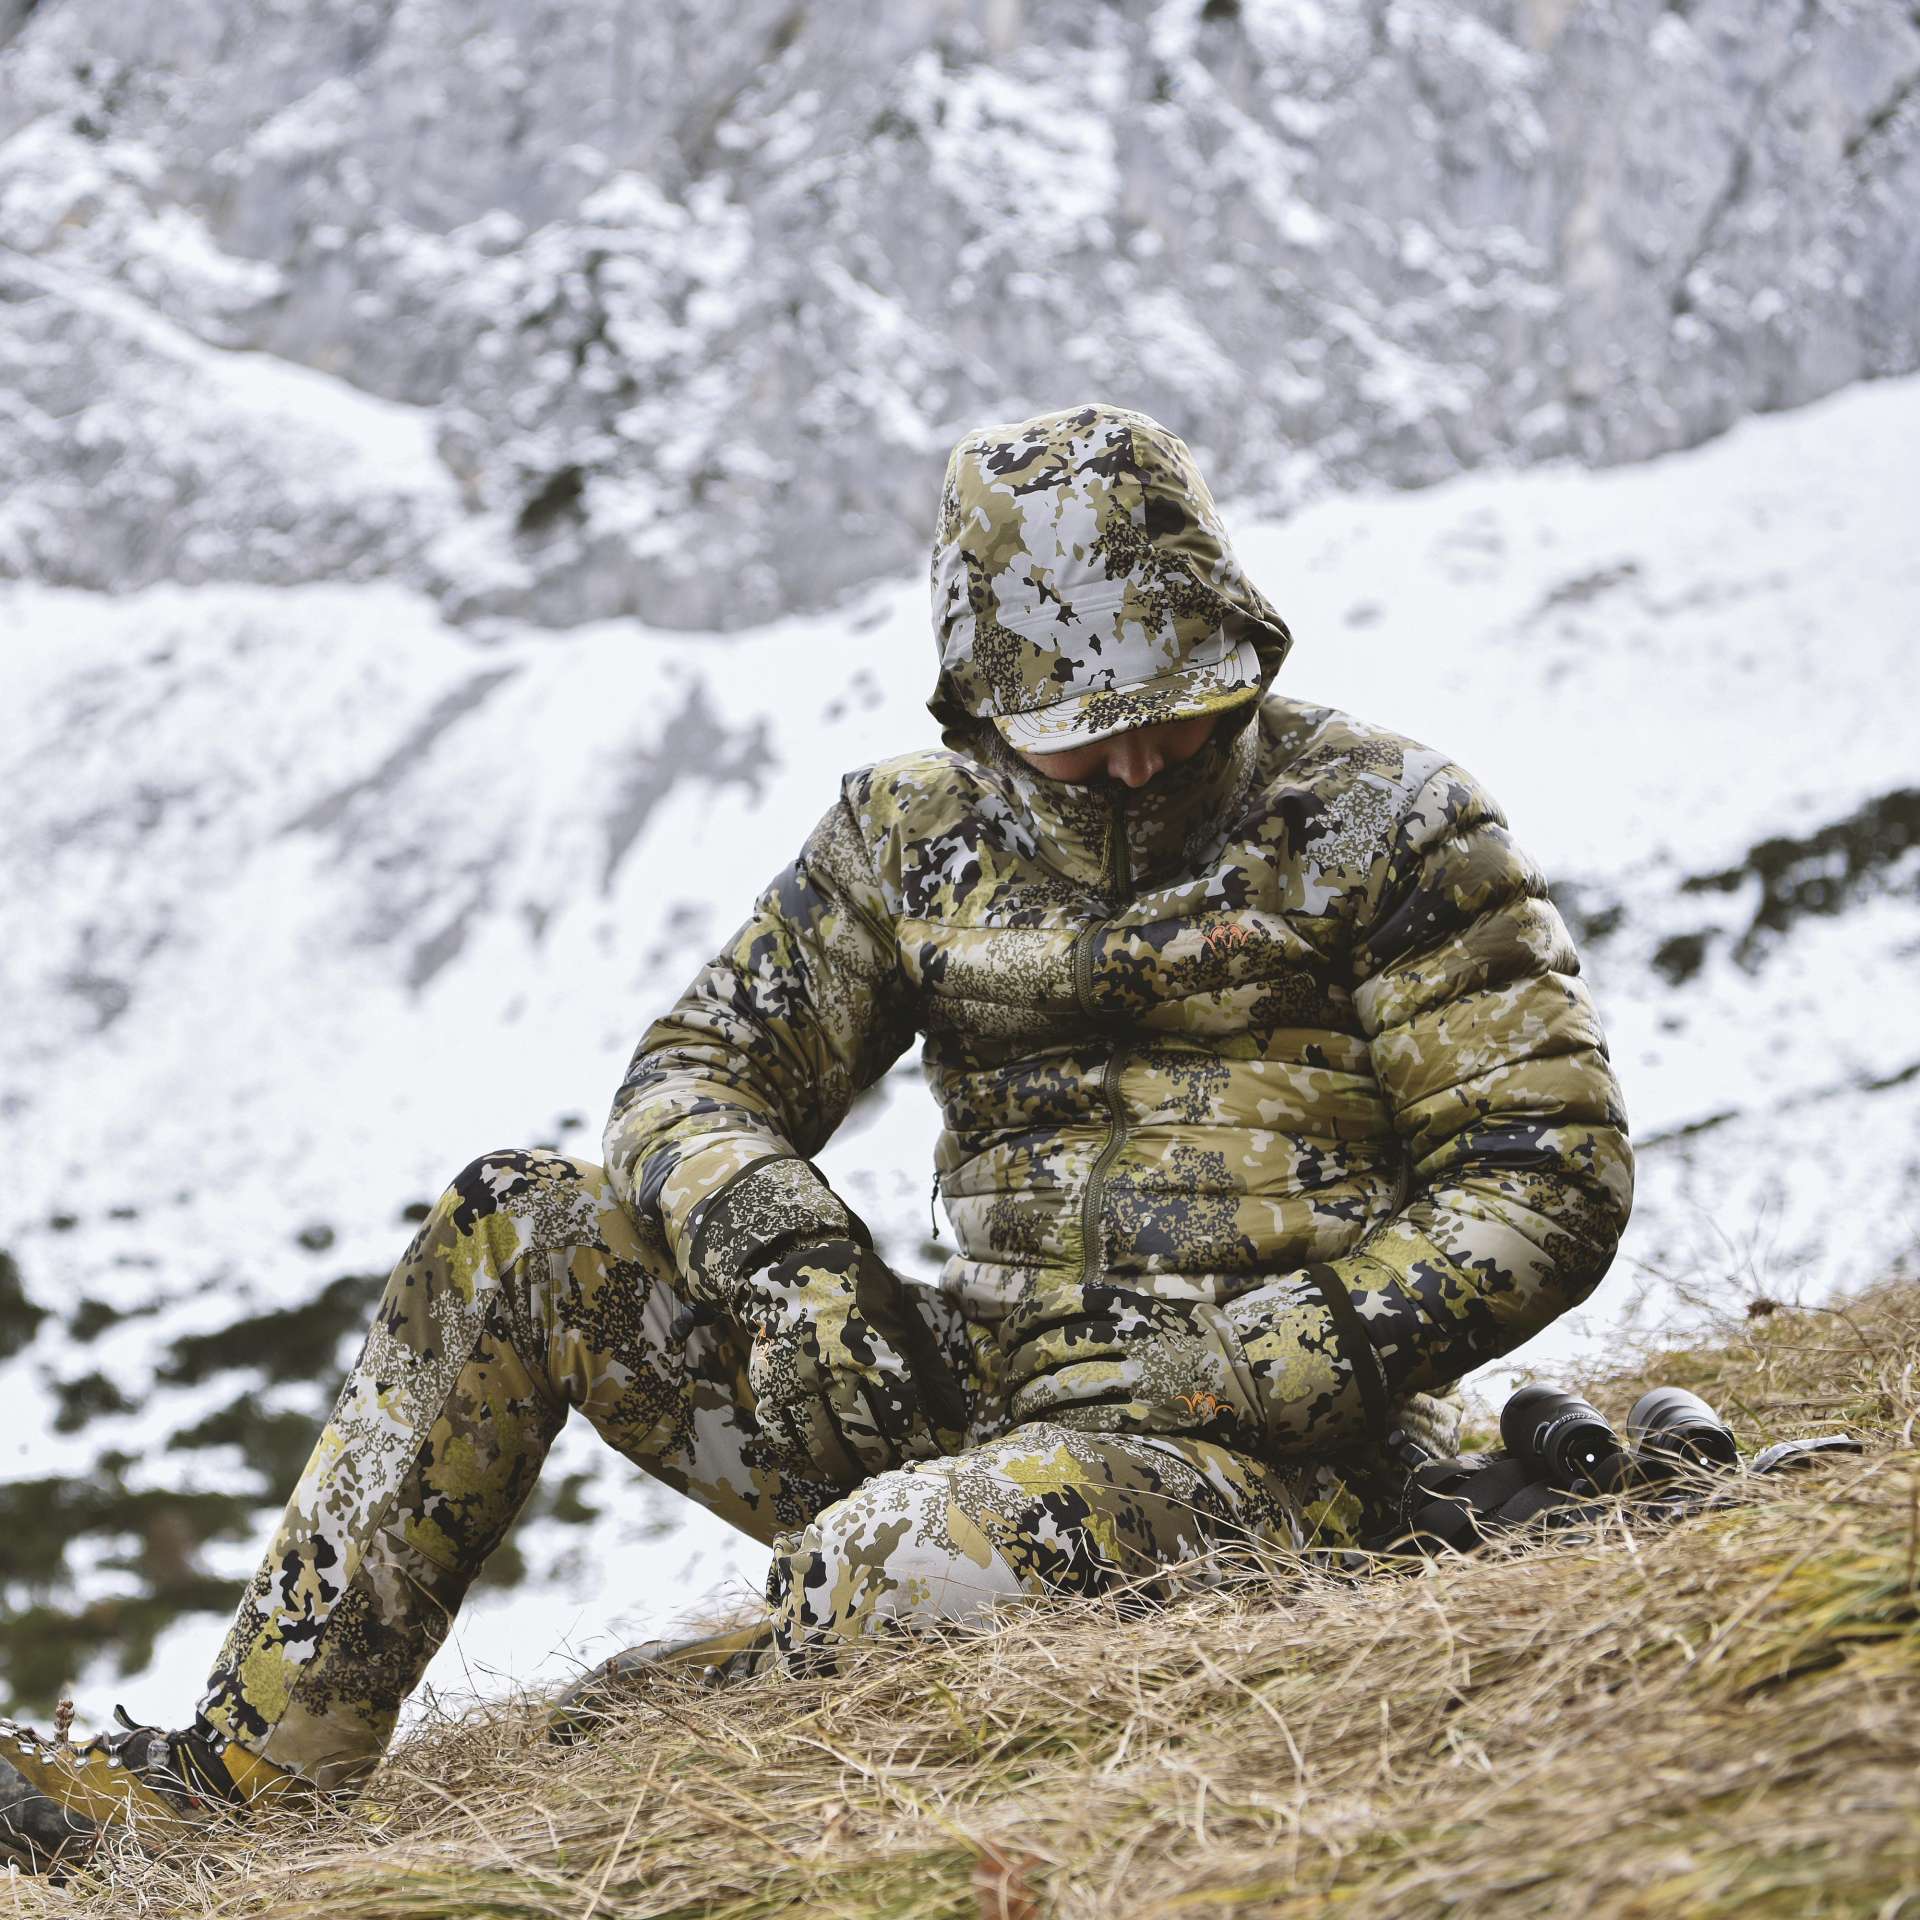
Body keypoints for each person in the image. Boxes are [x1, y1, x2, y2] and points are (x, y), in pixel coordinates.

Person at [0, 403, 1632, 1868]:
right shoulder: (901, 835)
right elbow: (690, 1074)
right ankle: (235, 1792)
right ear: (984, 704)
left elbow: (1546, 1170)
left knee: (915, 1556)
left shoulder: (1395, 820)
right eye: (1086, 718)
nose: (1142, 751)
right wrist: (783, 1255)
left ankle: (726, 1682)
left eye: (1186, 704)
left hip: (1273, 1466)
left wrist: (1253, 1363)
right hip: (951, 1397)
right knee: (518, 1221)